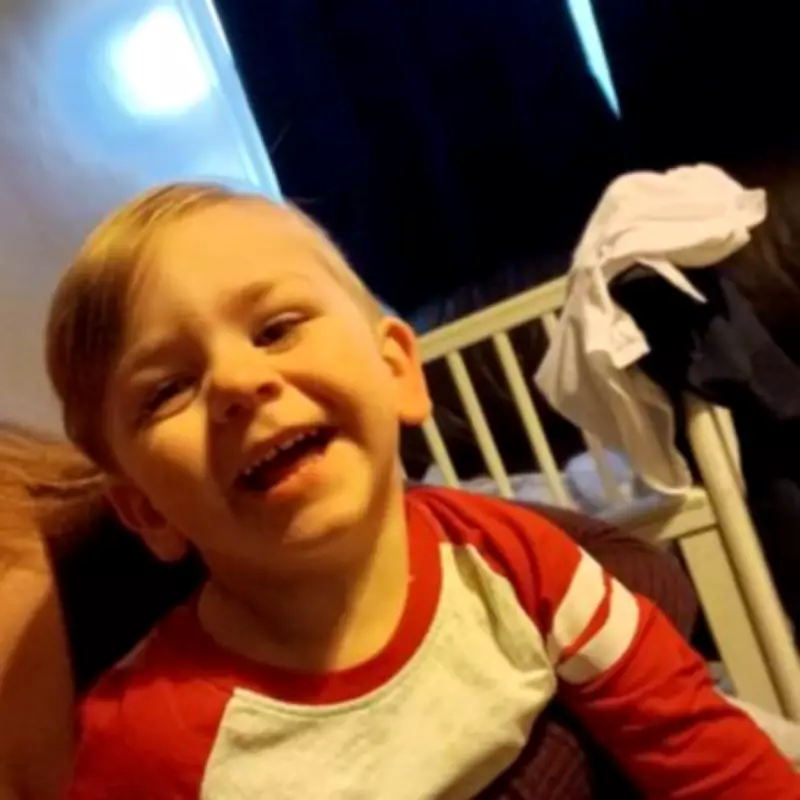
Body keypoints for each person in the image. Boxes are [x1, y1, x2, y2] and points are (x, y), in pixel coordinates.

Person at [45, 183, 799, 798]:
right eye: (168, 389)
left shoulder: (516, 557)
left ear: (398, 372)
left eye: (275, 329)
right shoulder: (145, 741)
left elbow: (688, 737)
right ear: (146, 509)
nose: (239, 382)